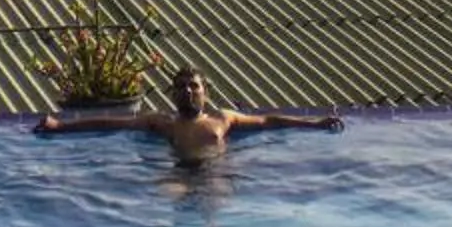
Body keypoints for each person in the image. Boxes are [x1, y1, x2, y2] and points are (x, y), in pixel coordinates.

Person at [31, 67, 343, 162]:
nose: (188, 92)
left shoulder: (224, 119)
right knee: (169, 203)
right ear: (172, 94)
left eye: (193, 87)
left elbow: (269, 121)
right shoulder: (161, 121)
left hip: (212, 172)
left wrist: (314, 124)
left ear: (205, 91)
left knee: (213, 216)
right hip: (177, 170)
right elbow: (110, 122)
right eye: (180, 88)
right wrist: (60, 126)